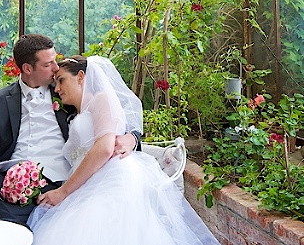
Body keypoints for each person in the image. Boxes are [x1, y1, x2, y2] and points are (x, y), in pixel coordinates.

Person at [0, 34, 140, 225]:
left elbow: (114, 115)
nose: (56, 68)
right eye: (49, 64)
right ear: (28, 69)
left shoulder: (65, 91)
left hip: (53, 184)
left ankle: (0, 212)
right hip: (5, 181)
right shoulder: (0, 100)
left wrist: (132, 138)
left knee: (25, 200)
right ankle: (8, 214)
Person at [28, 55, 219, 244]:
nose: (57, 88)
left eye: (61, 80)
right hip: (86, 182)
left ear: (80, 76)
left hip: (110, 179)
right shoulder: (72, 113)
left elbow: (104, 147)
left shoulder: (101, 99)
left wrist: (63, 192)